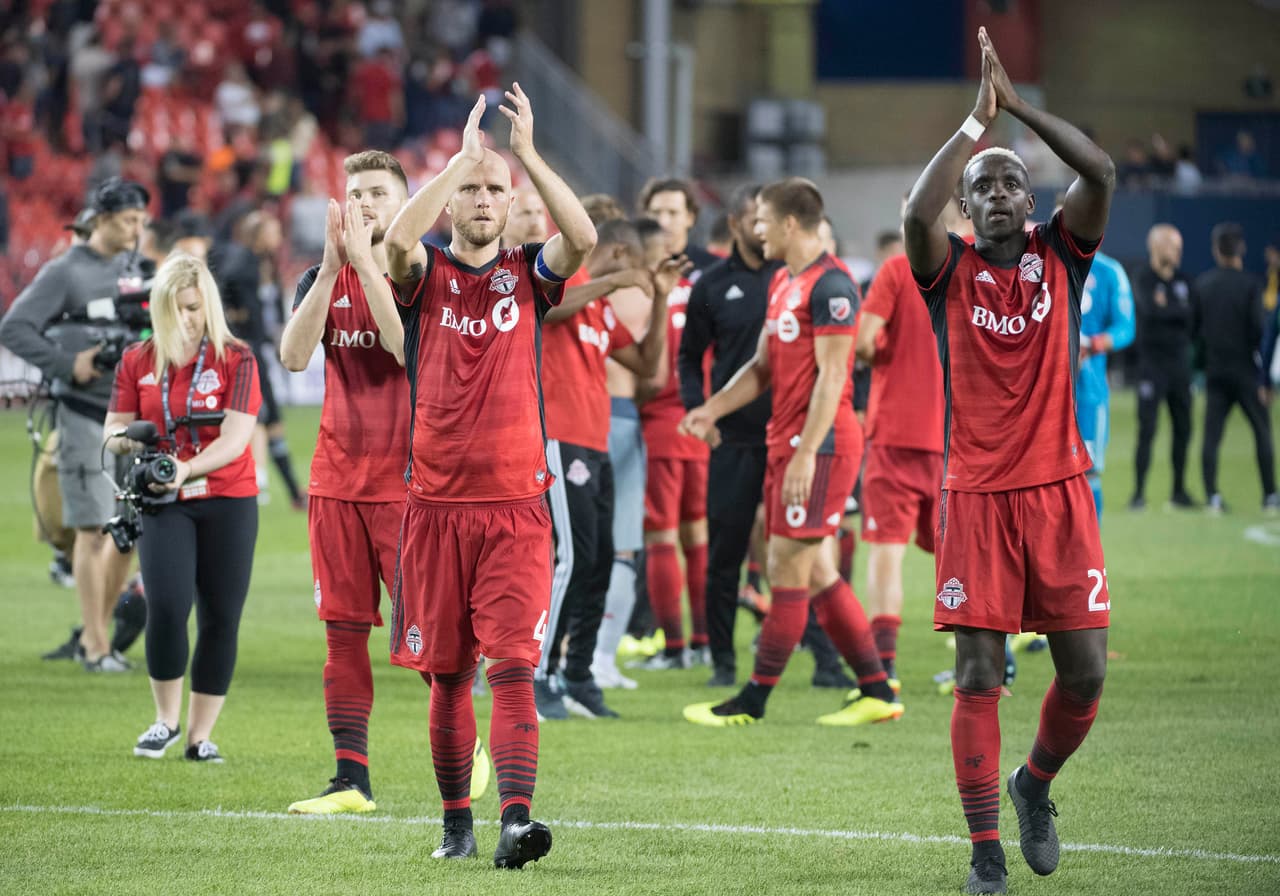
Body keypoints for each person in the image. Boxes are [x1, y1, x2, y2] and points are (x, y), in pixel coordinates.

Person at [902, 28, 1114, 894]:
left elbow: (1099, 173)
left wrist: (1020, 111)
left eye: (1010, 183)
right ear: (968, 207)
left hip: (1061, 492)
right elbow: (918, 212)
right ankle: (985, 851)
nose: (996, 193)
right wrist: (974, 124)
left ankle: (1035, 784)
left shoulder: (1063, 257)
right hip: (978, 496)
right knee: (980, 673)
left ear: (1029, 205)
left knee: (1086, 671)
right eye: (982, 185)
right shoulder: (943, 269)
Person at [382, 87, 596, 867]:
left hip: (516, 508)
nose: (480, 200)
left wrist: (528, 156)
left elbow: (583, 236)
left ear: (512, 207)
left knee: (511, 668)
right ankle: (454, 823)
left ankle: (514, 819)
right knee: (447, 679)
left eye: (493, 190)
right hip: (435, 509)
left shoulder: (528, 277)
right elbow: (395, 242)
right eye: (471, 190)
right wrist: (456, 162)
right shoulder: (425, 274)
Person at [277, 150, 479, 814]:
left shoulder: (425, 277)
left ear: (404, 205)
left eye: (378, 193)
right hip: (336, 482)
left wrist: (365, 263)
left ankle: (466, 741)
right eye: (354, 192)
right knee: (342, 631)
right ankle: (350, 780)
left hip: (409, 488)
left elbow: (405, 351)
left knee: (425, 635)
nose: (364, 203)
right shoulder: (323, 275)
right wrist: (335, 268)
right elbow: (294, 356)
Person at [679, 177, 901, 729]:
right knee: (820, 570)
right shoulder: (784, 281)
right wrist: (712, 410)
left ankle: (752, 699)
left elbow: (833, 377)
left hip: (818, 446)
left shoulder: (833, 287)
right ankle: (876, 688)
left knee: (785, 567)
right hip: (789, 442)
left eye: (762, 220)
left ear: (789, 224)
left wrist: (807, 454)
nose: (755, 229)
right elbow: (760, 369)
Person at [104, 253, 262, 762]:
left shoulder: (237, 358)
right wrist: (134, 442)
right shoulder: (137, 358)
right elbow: (112, 429)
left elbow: (236, 439)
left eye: (194, 307)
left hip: (227, 497)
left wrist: (185, 468)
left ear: (208, 305)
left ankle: (200, 736)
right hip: (161, 500)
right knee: (167, 607)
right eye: (175, 308)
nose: (186, 318)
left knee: (222, 617)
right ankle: (164, 721)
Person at [0, 177, 148, 671]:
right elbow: (14, 328)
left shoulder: (135, 267)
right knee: (91, 530)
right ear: (101, 219)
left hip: (132, 418)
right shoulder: (64, 272)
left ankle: (95, 635)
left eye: (141, 220)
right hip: (85, 412)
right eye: (128, 220)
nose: (136, 229)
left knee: (126, 531)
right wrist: (69, 364)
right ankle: (96, 645)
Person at [535, 219, 677, 718]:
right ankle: (538, 676)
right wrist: (617, 282)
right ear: (618, 254)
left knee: (596, 563)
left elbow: (646, 367)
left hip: (595, 442)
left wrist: (659, 299)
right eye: (637, 264)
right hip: (558, 437)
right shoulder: (565, 283)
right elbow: (549, 313)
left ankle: (577, 675)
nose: (638, 274)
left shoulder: (598, 305)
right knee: (570, 561)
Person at [853, 200, 963, 685]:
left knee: (885, 550)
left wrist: (883, 354)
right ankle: (983, 664)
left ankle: (885, 666)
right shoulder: (970, 269)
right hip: (956, 440)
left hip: (897, 434)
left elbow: (862, 341)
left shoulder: (897, 269)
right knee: (959, 557)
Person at [1193, 222, 1278, 512]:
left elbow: (1195, 333)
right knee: (1262, 431)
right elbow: (1260, 331)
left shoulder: (1203, 285)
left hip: (1216, 372)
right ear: (1241, 249)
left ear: (1216, 250)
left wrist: (1201, 367)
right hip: (1246, 371)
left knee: (1211, 436)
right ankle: (1269, 495)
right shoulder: (1252, 285)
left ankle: (1212, 496)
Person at [1130, 223, 1197, 510]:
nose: (1179, 251)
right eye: (1173, 246)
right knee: (1147, 429)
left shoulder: (1185, 281)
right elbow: (1149, 311)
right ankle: (1139, 494)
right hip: (1151, 366)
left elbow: (1192, 318)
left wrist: (1167, 309)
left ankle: (1179, 491)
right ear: (1157, 247)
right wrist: (1175, 312)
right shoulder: (1143, 278)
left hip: (1180, 367)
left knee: (1183, 428)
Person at [1075, 235, 1136, 520]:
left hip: (1089, 391)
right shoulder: (1037, 268)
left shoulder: (1109, 271)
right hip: (1042, 392)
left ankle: (1089, 559)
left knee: (1089, 470)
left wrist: (1092, 345)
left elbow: (1126, 327)